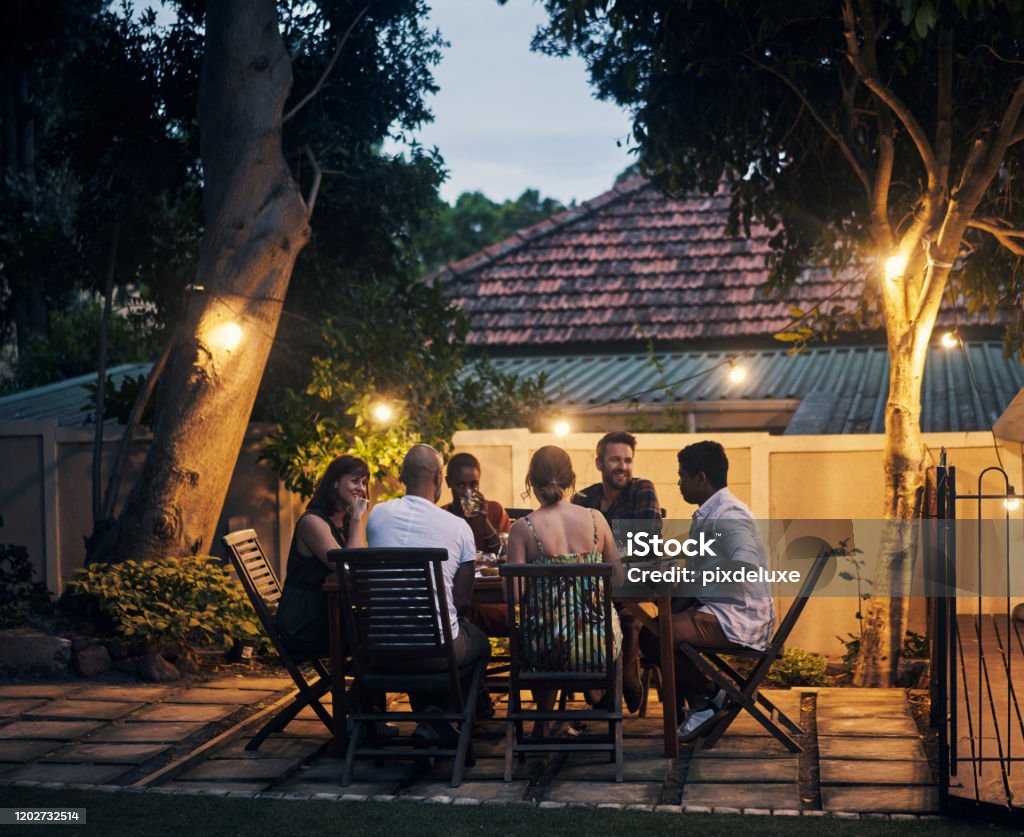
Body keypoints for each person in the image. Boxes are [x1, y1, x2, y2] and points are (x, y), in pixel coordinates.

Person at [638, 441, 775, 743]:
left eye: (682, 475)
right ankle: (708, 697)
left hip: (739, 617)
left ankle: (707, 698)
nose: (678, 482)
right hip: (722, 609)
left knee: (655, 635)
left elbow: (746, 565)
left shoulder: (728, 516)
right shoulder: (712, 513)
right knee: (655, 627)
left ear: (700, 478)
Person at [365, 445, 491, 728]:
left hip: (380, 650)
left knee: (429, 636)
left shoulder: (377, 516)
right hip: (436, 653)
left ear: (401, 477)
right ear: (438, 478)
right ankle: (442, 718)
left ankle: (431, 718)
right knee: (479, 644)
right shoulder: (458, 527)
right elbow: (461, 604)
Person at [507, 445, 622, 732]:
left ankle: (542, 724)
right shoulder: (597, 520)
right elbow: (618, 579)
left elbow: (513, 594)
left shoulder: (524, 528)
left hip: (544, 649)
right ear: (572, 480)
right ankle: (605, 706)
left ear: (531, 482)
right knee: (610, 633)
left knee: (546, 630)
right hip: (598, 646)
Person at [572, 431, 662, 713]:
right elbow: (573, 547)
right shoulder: (583, 498)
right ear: (599, 463)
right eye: (614, 459)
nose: (622, 466)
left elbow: (643, 542)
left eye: (627, 460)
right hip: (593, 592)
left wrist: (601, 545)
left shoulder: (643, 489)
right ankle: (615, 677)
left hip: (634, 583)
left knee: (624, 612)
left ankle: (620, 679)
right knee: (584, 614)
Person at [275, 455, 368, 659]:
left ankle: (364, 689)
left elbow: (352, 565)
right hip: (305, 623)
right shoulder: (313, 522)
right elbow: (350, 567)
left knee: (381, 628)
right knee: (377, 634)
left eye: (364, 482)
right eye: (355, 480)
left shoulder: (341, 524)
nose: (361, 488)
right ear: (334, 482)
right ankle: (363, 689)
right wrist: (358, 519)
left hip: (329, 615)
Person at [443, 452, 511, 554]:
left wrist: (485, 522)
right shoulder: (443, 515)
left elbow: (506, 555)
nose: (468, 492)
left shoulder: (495, 510)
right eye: (460, 485)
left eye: (474, 485)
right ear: (448, 482)